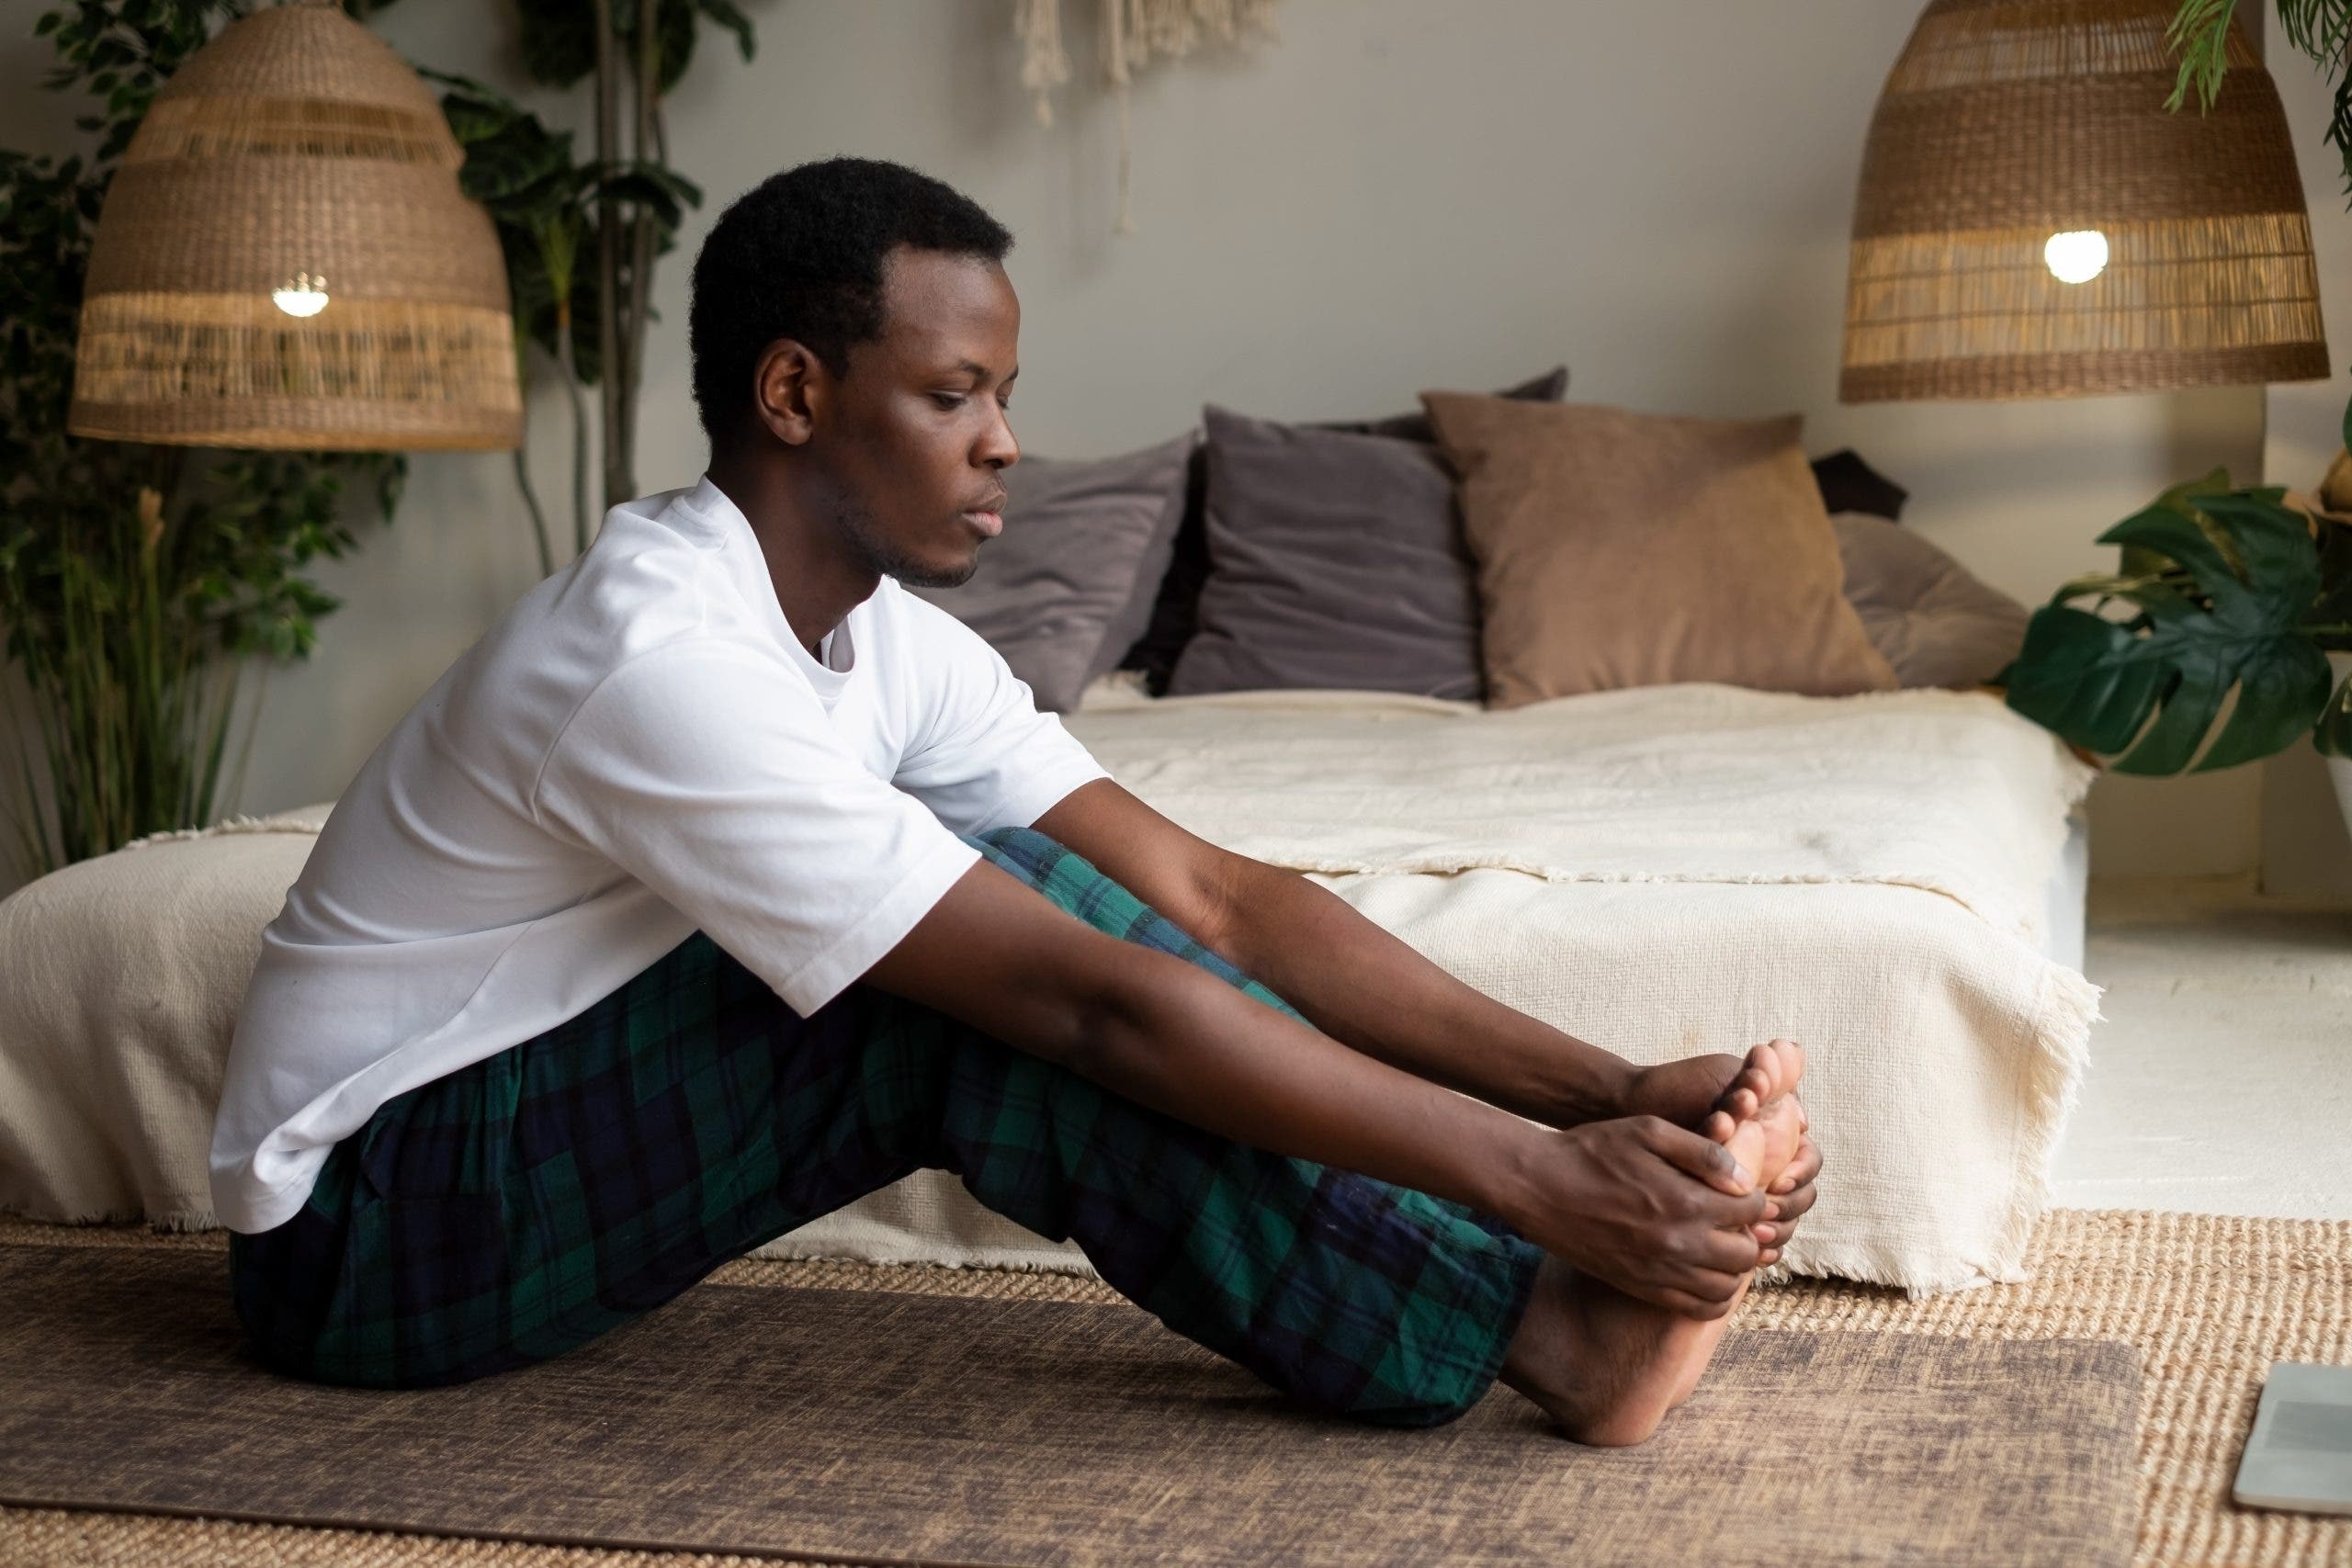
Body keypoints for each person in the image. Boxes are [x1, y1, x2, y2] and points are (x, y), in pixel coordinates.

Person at [211, 155, 1822, 1448]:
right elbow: (1096, 1006)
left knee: (1021, 914)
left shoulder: (884, 638)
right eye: (955, 395)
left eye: (1004, 394)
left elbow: (1217, 902)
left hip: (506, 1142)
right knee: (968, 992)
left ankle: (1542, 1298)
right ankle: (1552, 1328)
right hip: (367, 1233)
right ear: (794, 394)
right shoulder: (658, 656)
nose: (1007, 444)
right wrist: (1542, 1185)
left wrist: (1602, 1093)